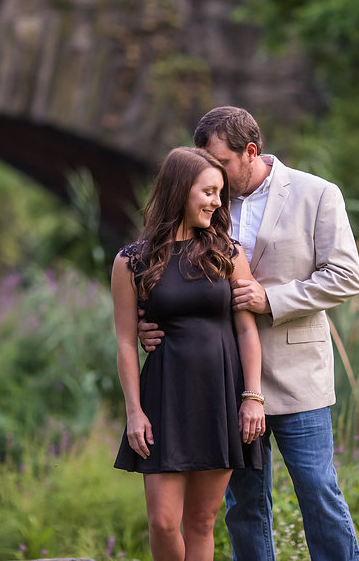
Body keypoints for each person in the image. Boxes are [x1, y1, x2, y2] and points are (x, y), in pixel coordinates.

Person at [139, 107, 359, 560]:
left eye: (220, 162)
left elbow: (346, 275)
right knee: (243, 503)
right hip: (225, 380)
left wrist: (271, 300)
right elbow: (172, 272)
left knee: (317, 489)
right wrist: (154, 321)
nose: (210, 174)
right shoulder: (204, 198)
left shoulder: (316, 194)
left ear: (251, 152)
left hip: (297, 375)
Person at [113, 146, 265, 560]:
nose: (218, 203)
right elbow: (126, 341)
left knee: (201, 522)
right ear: (180, 190)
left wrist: (252, 396)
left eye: (220, 194)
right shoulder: (132, 261)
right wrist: (133, 411)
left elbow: (246, 331)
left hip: (219, 396)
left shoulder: (228, 253)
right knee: (163, 522)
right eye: (209, 192)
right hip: (163, 398)